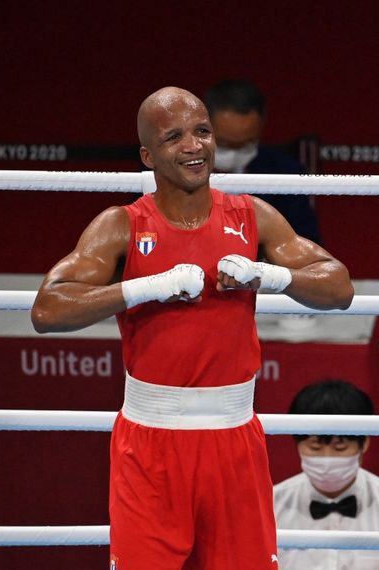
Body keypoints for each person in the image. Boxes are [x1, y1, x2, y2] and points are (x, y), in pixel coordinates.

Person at [31, 86, 354, 569]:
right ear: (147, 154)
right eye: (174, 136)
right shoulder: (120, 226)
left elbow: (339, 286)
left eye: (202, 131)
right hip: (150, 443)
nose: (193, 145)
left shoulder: (251, 216)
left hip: (233, 439)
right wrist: (141, 288)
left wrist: (269, 275)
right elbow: (47, 310)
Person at [273, 379, 379, 570]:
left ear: (364, 442)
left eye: (340, 447)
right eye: (315, 446)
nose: (327, 458)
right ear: (297, 442)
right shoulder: (270, 504)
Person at [204, 78, 321, 244]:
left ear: (262, 126)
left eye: (246, 144)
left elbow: (307, 243)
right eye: (224, 144)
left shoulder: (285, 172)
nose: (234, 153)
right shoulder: (177, 170)